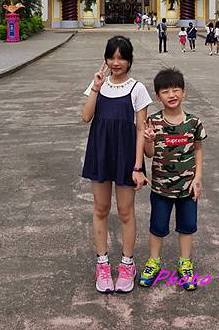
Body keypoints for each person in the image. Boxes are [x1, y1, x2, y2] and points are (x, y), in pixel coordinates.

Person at [81, 36, 152, 293]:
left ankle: (127, 264)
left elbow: (141, 130)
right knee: (100, 209)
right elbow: (86, 116)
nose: (116, 62)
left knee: (125, 211)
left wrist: (137, 167)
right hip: (100, 152)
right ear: (106, 58)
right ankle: (102, 263)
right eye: (111, 57)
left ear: (130, 60)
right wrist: (96, 88)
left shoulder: (137, 89)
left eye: (121, 57)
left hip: (125, 155)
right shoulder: (98, 84)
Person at [139, 68, 207, 291]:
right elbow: (149, 153)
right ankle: (154, 261)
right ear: (158, 96)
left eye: (176, 89)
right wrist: (148, 140)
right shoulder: (153, 121)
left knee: (187, 227)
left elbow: (198, 149)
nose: (171, 94)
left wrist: (198, 178)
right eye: (165, 91)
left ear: (184, 92)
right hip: (160, 188)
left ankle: (185, 263)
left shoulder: (193, 122)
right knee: (157, 227)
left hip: (187, 188)